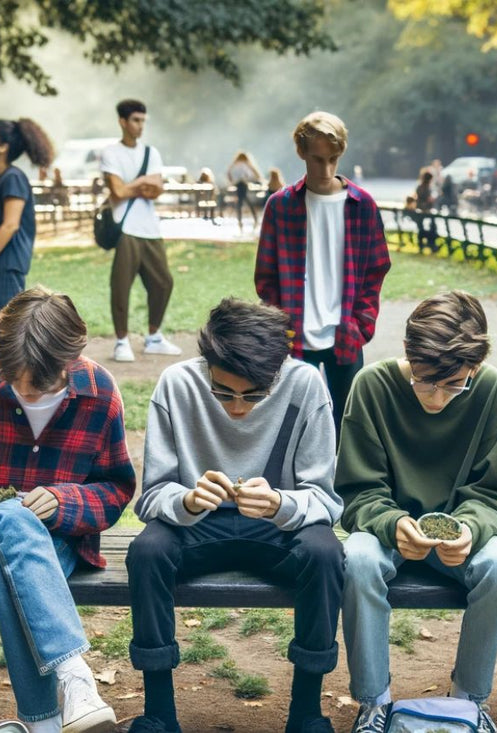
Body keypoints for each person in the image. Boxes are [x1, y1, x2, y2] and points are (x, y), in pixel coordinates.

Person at [126, 298, 342, 733]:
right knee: (146, 551)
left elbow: (326, 502)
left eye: (254, 396)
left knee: (325, 554)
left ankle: (306, 713)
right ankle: (159, 714)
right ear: (207, 364)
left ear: (277, 373)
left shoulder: (305, 385)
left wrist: (283, 503)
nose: (238, 408)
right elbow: (150, 498)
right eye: (223, 392)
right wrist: (186, 500)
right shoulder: (177, 383)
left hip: (279, 528)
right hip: (196, 526)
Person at [0, 286, 134, 733]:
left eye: (37, 383)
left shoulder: (99, 390)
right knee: (10, 514)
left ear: (69, 361)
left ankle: (40, 723)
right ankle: (76, 678)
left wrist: (66, 500)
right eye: (11, 377)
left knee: (5, 575)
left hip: (58, 540)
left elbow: (118, 488)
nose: (23, 390)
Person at [337, 291, 497, 733]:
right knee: (357, 559)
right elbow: (358, 493)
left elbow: (491, 495)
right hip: (386, 530)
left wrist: (471, 530)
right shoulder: (372, 385)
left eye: (454, 384)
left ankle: (469, 702)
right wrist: (391, 523)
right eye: (424, 381)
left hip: (462, 533)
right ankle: (374, 702)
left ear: (475, 366)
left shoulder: (492, 390)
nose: (436, 398)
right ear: (407, 353)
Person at [256, 111, 391, 435]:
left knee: (348, 425)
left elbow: (376, 269)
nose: (326, 169)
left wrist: (361, 324)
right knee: (292, 424)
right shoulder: (281, 205)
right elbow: (266, 276)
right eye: (317, 159)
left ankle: (342, 486)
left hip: (345, 331)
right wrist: (280, 324)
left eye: (333, 159)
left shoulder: (363, 205)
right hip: (293, 333)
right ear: (301, 153)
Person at [101, 99, 181, 363]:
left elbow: (156, 190)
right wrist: (143, 182)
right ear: (122, 122)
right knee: (121, 285)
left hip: (150, 228)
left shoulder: (151, 152)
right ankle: (122, 341)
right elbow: (119, 192)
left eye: (143, 121)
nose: (140, 126)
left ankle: (154, 337)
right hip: (125, 227)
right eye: (135, 120)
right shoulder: (110, 153)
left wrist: (135, 185)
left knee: (164, 282)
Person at [0, 117, 55, 353]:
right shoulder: (0, 180)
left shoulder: (13, 178)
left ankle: (7, 389)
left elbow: (10, 225)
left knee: (4, 341)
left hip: (2, 267)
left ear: (3, 146)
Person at [226, 151, 263, 232]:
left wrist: (233, 180)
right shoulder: (246, 164)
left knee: (241, 201)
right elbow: (255, 175)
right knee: (245, 200)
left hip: (239, 184)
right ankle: (253, 218)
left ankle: (241, 220)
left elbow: (229, 173)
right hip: (243, 184)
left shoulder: (236, 165)